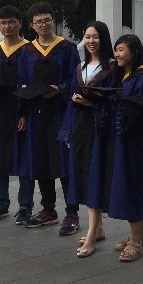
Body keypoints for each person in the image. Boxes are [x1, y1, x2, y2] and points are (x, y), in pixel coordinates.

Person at [17, 2, 81, 234]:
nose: (43, 24)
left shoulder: (67, 48)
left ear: (53, 21)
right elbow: (21, 79)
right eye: (38, 22)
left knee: (64, 161)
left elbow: (76, 78)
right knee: (41, 160)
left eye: (47, 20)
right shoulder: (28, 51)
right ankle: (48, 209)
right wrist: (23, 111)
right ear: (32, 25)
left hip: (61, 112)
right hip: (36, 113)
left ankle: (72, 212)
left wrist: (60, 89)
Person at [59, 21, 114, 256]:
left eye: (96, 37)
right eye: (88, 37)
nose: (91, 41)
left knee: (95, 176)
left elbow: (114, 101)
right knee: (85, 174)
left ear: (104, 39)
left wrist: (91, 103)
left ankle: (91, 236)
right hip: (81, 129)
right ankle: (98, 228)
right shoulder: (80, 67)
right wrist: (68, 131)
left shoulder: (112, 68)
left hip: (100, 130)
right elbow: (71, 98)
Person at [0, 6, 35, 224]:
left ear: (20, 23)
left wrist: (25, 112)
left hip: (21, 111)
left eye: (12, 22)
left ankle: (25, 206)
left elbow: (32, 83)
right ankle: (0, 204)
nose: (7, 26)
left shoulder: (30, 50)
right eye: (3, 22)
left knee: (24, 159)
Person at [109, 34, 143, 262]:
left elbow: (139, 105)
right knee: (131, 181)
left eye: (121, 50)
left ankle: (136, 240)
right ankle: (140, 234)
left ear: (133, 51)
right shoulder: (127, 73)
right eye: (115, 50)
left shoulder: (142, 74)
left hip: (135, 136)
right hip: (124, 134)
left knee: (132, 183)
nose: (116, 54)